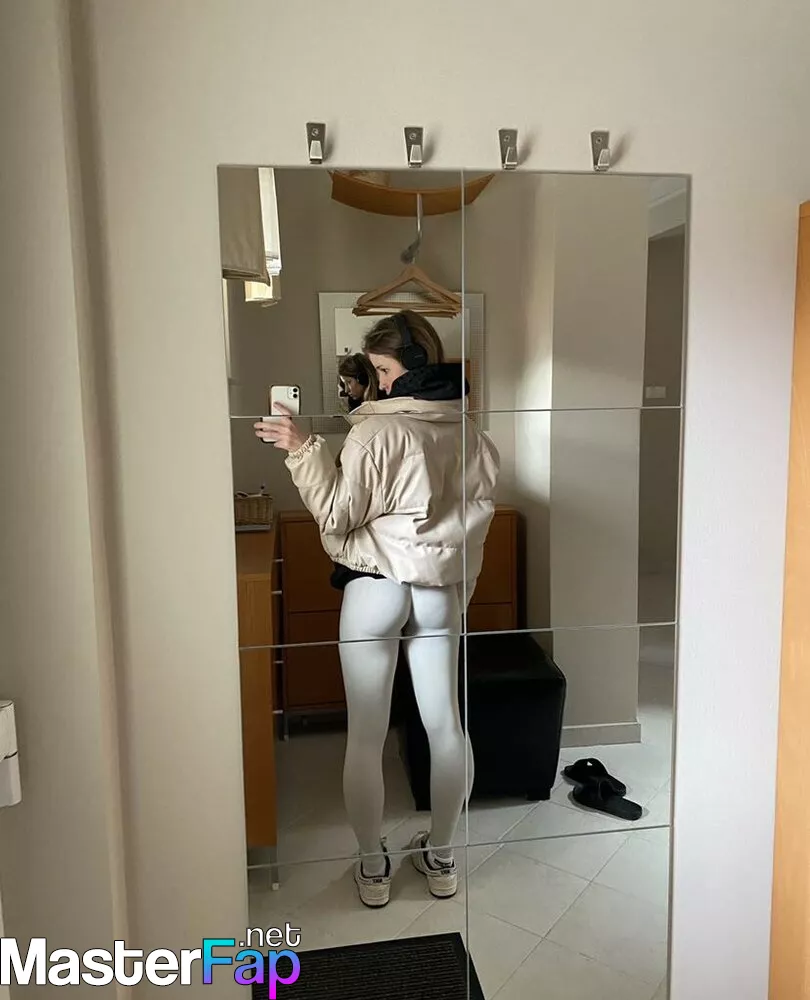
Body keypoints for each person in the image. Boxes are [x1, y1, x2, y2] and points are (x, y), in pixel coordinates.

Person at [254, 309, 499, 908]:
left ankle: (372, 866)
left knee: (365, 735)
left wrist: (303, 449)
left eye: (384, 371)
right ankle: (442, 857)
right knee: (446, 725)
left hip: (376, 585)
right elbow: (473, 522)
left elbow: (338, 515)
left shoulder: (375, 432)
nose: (380, 383)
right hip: (439, 589)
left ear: (410, 365)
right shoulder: (472, 432)